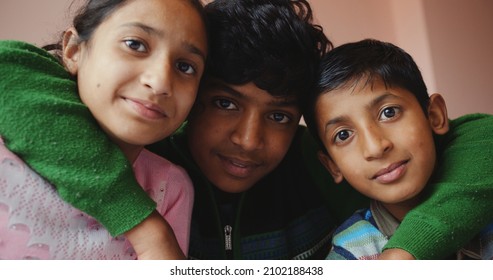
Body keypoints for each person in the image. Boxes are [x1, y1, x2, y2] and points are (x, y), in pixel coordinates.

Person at [2, 0, 493, 260]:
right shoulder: (148, 152)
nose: (249, 140)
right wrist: (147, 228)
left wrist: (407, 252)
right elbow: (15, 72)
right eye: (224, 103)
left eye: (279, 116)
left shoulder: (322, 162)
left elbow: (477, 139)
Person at [0, 0, 207, 259]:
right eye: (135, 44)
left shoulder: (171, 188)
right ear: (74, 50)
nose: (160, 81)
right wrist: (145, 227)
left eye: (185, 66)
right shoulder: (6, 149)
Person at [302, 39, 493, 260]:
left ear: (434, 115)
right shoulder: (350, 253)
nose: (375, 147)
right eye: (343, 135)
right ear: (332, 166)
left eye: (389, 112)